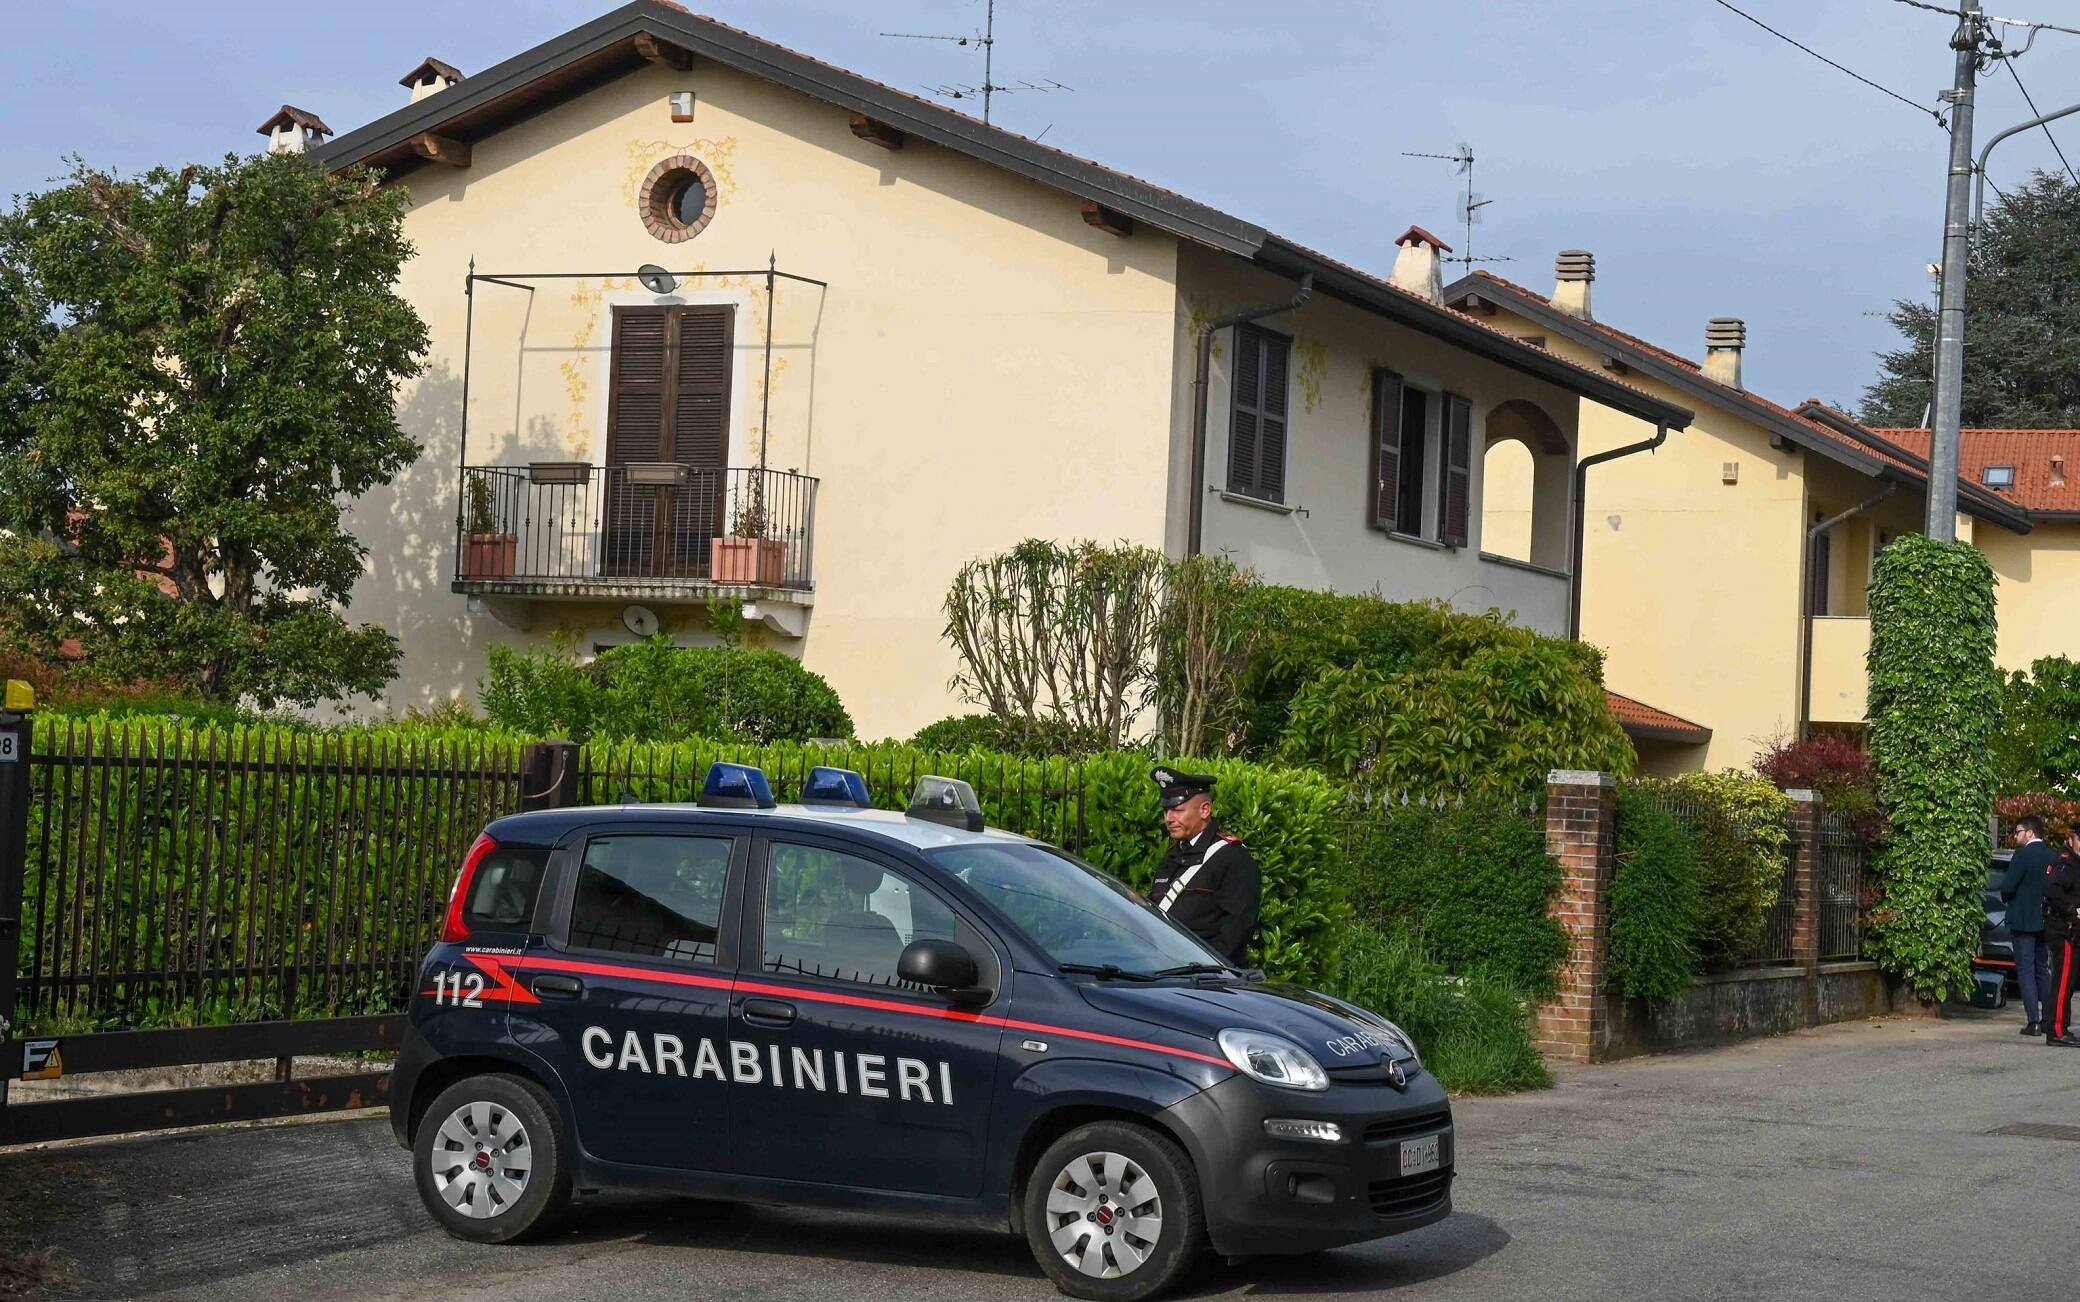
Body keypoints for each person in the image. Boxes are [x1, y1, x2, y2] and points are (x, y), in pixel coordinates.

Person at [1149, 767, 1260, 964]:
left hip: (1209, 979)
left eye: (1177, 810)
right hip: (1166, 971)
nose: (1169, 818)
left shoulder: (1232, 856)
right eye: (1166, 810)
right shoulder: (1173, 854)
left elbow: (1238, 926)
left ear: (1205, 810)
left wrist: (1201, 965)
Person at [1995, 815, 2057, 1035]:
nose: (2015, 835)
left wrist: (2007, 897)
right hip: (2045, 919)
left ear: (2030, 832)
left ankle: (2034, 1021)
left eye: (2018, 831)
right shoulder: (2052, 856)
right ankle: (2050, 1019)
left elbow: (2008, 886)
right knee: (2043, 969)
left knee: (2025, 969)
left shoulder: (2022, 855)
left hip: (2022, 919)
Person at [2044, 827, 2080, 1048]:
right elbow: (2051, 888)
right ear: (2072, 840)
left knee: (2069, 982)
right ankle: (2056, 1030)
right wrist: (2070, 910)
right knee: (2063, 981)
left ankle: (2061, 1027)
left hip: (2072, 929)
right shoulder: (2066, 863)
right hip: (2063, 929)